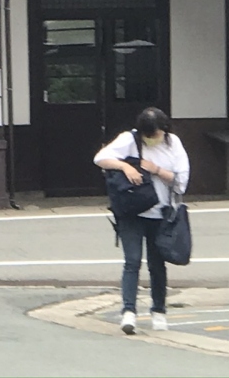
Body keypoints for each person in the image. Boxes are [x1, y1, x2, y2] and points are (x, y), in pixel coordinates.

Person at [93, 107, 190, 336]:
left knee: (157, 265)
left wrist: (156, 170)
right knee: (132, 261)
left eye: (154, 134)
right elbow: (100, 158)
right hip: (131, 212)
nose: (151, 138)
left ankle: (159, 311)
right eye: (147, 135)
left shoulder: (173, 144)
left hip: (161, 214)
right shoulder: (129, 139)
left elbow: (181, 183)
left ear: (164, 129)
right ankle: (129, 312)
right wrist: (125, 166)